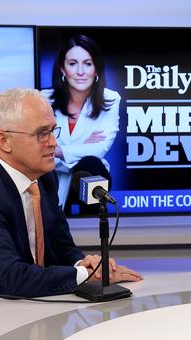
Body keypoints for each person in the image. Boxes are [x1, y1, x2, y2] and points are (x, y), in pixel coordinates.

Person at [0, 88, 142, 317]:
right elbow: (12, 278)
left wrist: (84, 264)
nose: (53, 142)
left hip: (24, 311)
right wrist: (85, 275)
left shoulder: (44, 177)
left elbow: (61, 247)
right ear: (3, 140)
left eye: (52, 130)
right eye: (41, 133)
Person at [41, 34, 120, 215]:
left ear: (96, 69)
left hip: (90, 176)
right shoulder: (43, 100)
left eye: (88, 63)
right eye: (72, 63)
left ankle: (95, 232)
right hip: (53, 178)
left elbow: (100, 149)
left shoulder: (111, 99)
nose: (81, 71)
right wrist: (84, 146)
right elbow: (37, 151)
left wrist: (61, 151)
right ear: (62, 68)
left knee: (91, 164)